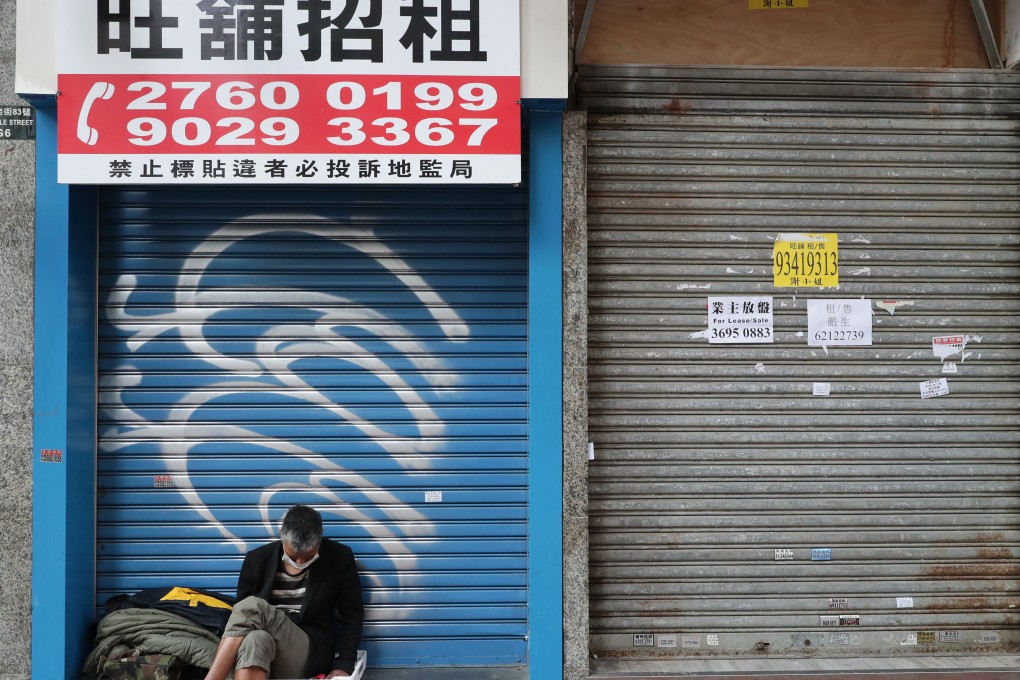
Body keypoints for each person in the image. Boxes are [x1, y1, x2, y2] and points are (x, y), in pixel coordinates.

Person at [203, 504, 364, 679]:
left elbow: (352, 614)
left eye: (308, 557)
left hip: (308, 651)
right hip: (267, 651)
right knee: (254, 639)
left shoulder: (339, 557)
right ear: (281, 533)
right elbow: (240, 618)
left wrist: (344, 663)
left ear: (320, 536)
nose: (301, 562)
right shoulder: (256, 560)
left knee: (254, 607)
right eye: (294, 556)